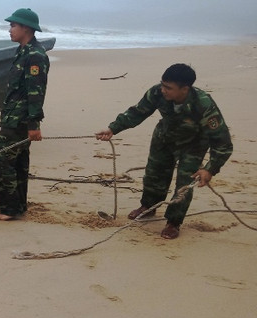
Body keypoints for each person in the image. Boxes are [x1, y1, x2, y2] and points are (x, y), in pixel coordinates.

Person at [94, 63, 233, 240]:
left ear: (185, 89)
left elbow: (223, 144)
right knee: (154, 173)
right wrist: (113, 128)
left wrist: (209, 169)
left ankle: (173, 222)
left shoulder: (203, 105)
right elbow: (137, 112)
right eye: (162, 84)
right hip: (164, 137)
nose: (163, 90)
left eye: (168, 87)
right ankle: (149, 207)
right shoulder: (156, 93)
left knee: (184, 184)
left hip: (193, 144)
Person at [0, 8, 49, 221]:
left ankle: (8, 209)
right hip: (13, 116)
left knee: (0, 161)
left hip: (20, 120)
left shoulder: (35, 56)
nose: (10, 29)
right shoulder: (22, 51)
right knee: (18, 162)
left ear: (26, 28)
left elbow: (36, 92)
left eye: (13, 25)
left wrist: (33, 124)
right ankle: (18, 206)